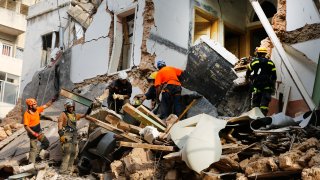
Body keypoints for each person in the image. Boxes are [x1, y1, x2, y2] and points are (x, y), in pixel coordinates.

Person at [58, 99, 95, 174]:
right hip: (66, 135)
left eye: (72, 107)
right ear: (66, 107)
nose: (71, 108)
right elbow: (60, 125)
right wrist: (61, 135)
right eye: (69, 107)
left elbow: (83, 116)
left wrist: (90, 108)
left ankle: (68, 170)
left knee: (73, 153)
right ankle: (62, 170)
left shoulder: (74, 114)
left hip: (74, 135)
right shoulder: (63, 114)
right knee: (67, 153)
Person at [245, 47, 277, 115]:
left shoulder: (254, 62)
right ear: (265, 54)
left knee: (256, 103)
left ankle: (255, 118)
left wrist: (247, 79)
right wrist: (273, 87)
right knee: (264, 105)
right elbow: (274, 76)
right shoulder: (271, 63)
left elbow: (248, 71)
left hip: (257, 86)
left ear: (258, 53)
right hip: (267, 86)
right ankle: (263, 119)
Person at [23, 97, 55, 164]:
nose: (36, 105)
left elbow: (46, 105)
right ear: (30, 106)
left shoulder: (37, 110)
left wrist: (52, 100)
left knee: (46, 143)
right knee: (33, 149)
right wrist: (33, 133)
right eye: (35, 104)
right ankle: (31, 164)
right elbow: (26, 126)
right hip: (32, 134)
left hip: (39, 132)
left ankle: (36, 155)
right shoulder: (27, 114)